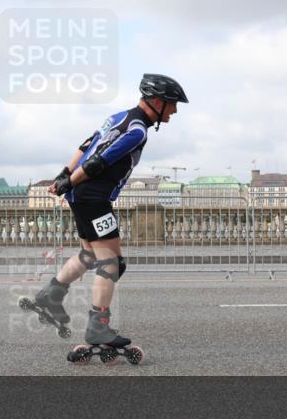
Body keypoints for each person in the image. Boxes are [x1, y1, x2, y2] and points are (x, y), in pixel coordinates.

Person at [31, 74, 187, 353]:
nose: (174, 110)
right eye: (172, 103)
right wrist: (70, 180)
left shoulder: (118, 117)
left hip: (82, 196)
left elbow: (85, 145)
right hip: (93, 198)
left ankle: (50, 295)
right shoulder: (137, 131)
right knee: (112, 264)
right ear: (156, 101)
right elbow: (98, 161)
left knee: (89, 255)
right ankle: (98, 327)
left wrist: (65, 176)